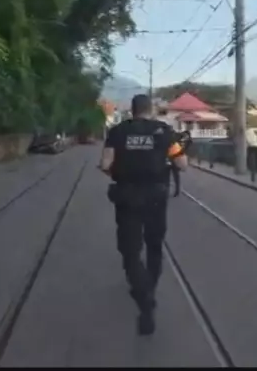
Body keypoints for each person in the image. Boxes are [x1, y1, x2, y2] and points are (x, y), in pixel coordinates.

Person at [99, 94, 189, 336]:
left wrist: (118, 174)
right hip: (156, 196)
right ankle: (149, 290)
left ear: (132, 110)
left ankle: (142, 294)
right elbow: (182, 164)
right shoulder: (165, 131)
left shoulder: (117, 131)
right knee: (154, 246)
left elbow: (106, 164)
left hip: (127, 197)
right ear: (150, 109)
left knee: (130, 250)